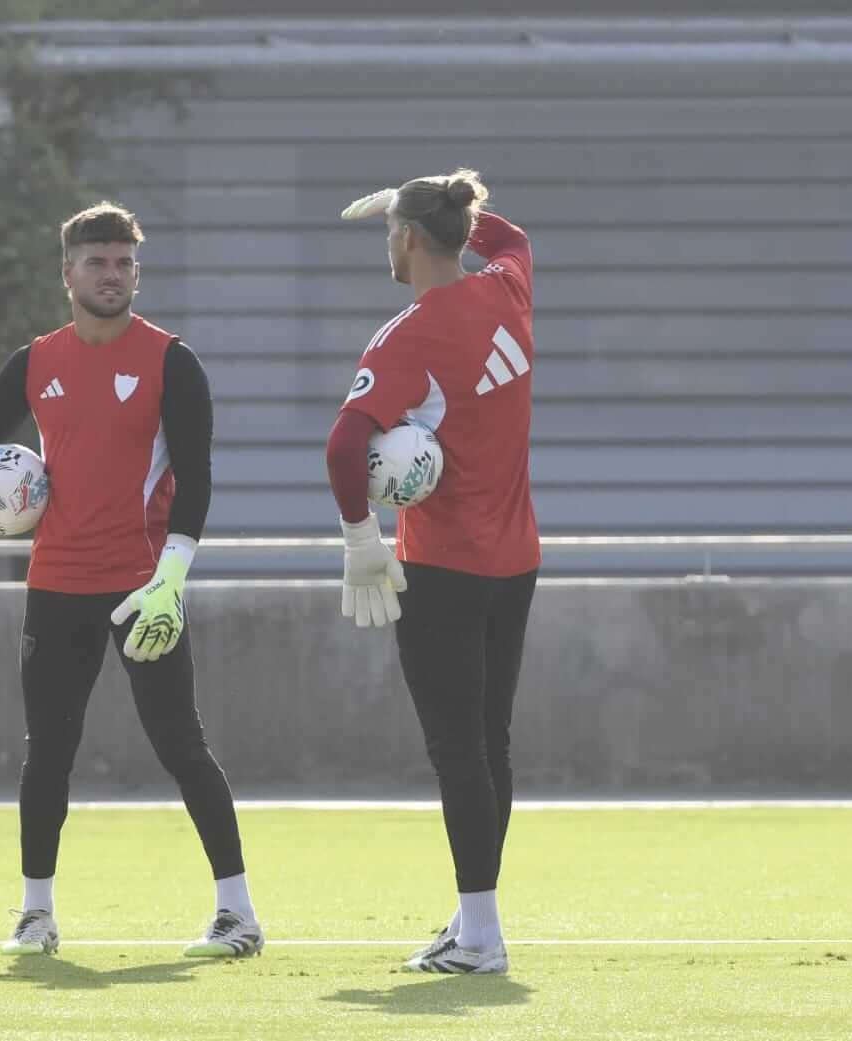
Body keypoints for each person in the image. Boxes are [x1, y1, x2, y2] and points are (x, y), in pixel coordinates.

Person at [0, 201, 263, 959]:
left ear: (136, 271)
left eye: (123, 263)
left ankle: (238, 913)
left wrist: (171, 578)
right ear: (67, 272)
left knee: (181, 743)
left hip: (142, 586)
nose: (112, 275)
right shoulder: (36, 361)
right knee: (47, 749)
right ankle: (36, 915)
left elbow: (199, 478)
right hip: (56, 583)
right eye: (96, 262)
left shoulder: (173, 360)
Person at [325, 170, 539, 975]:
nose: (388, 242)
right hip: (516, 561)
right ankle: (473, 917)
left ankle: (481, 936)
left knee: (457, 747)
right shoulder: (508, 287)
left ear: (409, 239)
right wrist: (456, 214)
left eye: (392, 229)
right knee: (490, 743)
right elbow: (512, 240)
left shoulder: (407, 335)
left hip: (444, 567)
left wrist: (360, 540)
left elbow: (347, 444)